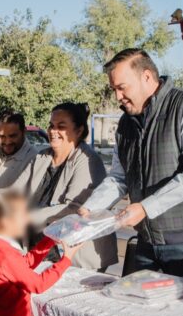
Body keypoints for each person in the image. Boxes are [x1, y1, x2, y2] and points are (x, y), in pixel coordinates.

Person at [80, 48, 183, 296]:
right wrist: (91, 208)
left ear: (147, 77)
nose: (118, 97)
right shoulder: (126, 122)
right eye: (114, 89)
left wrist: (145, 207)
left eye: (122, 87)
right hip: (147, 241)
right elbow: (119, 176)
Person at [14, 102, 117, 271]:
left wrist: (28, 218)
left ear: (79, 130)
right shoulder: (42, 157)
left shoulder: (88, 159)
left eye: (61, 127)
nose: (53, 131)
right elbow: (14, 191)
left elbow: (73, 208)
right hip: (40, 249)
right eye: (51, 126)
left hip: (77, 256)